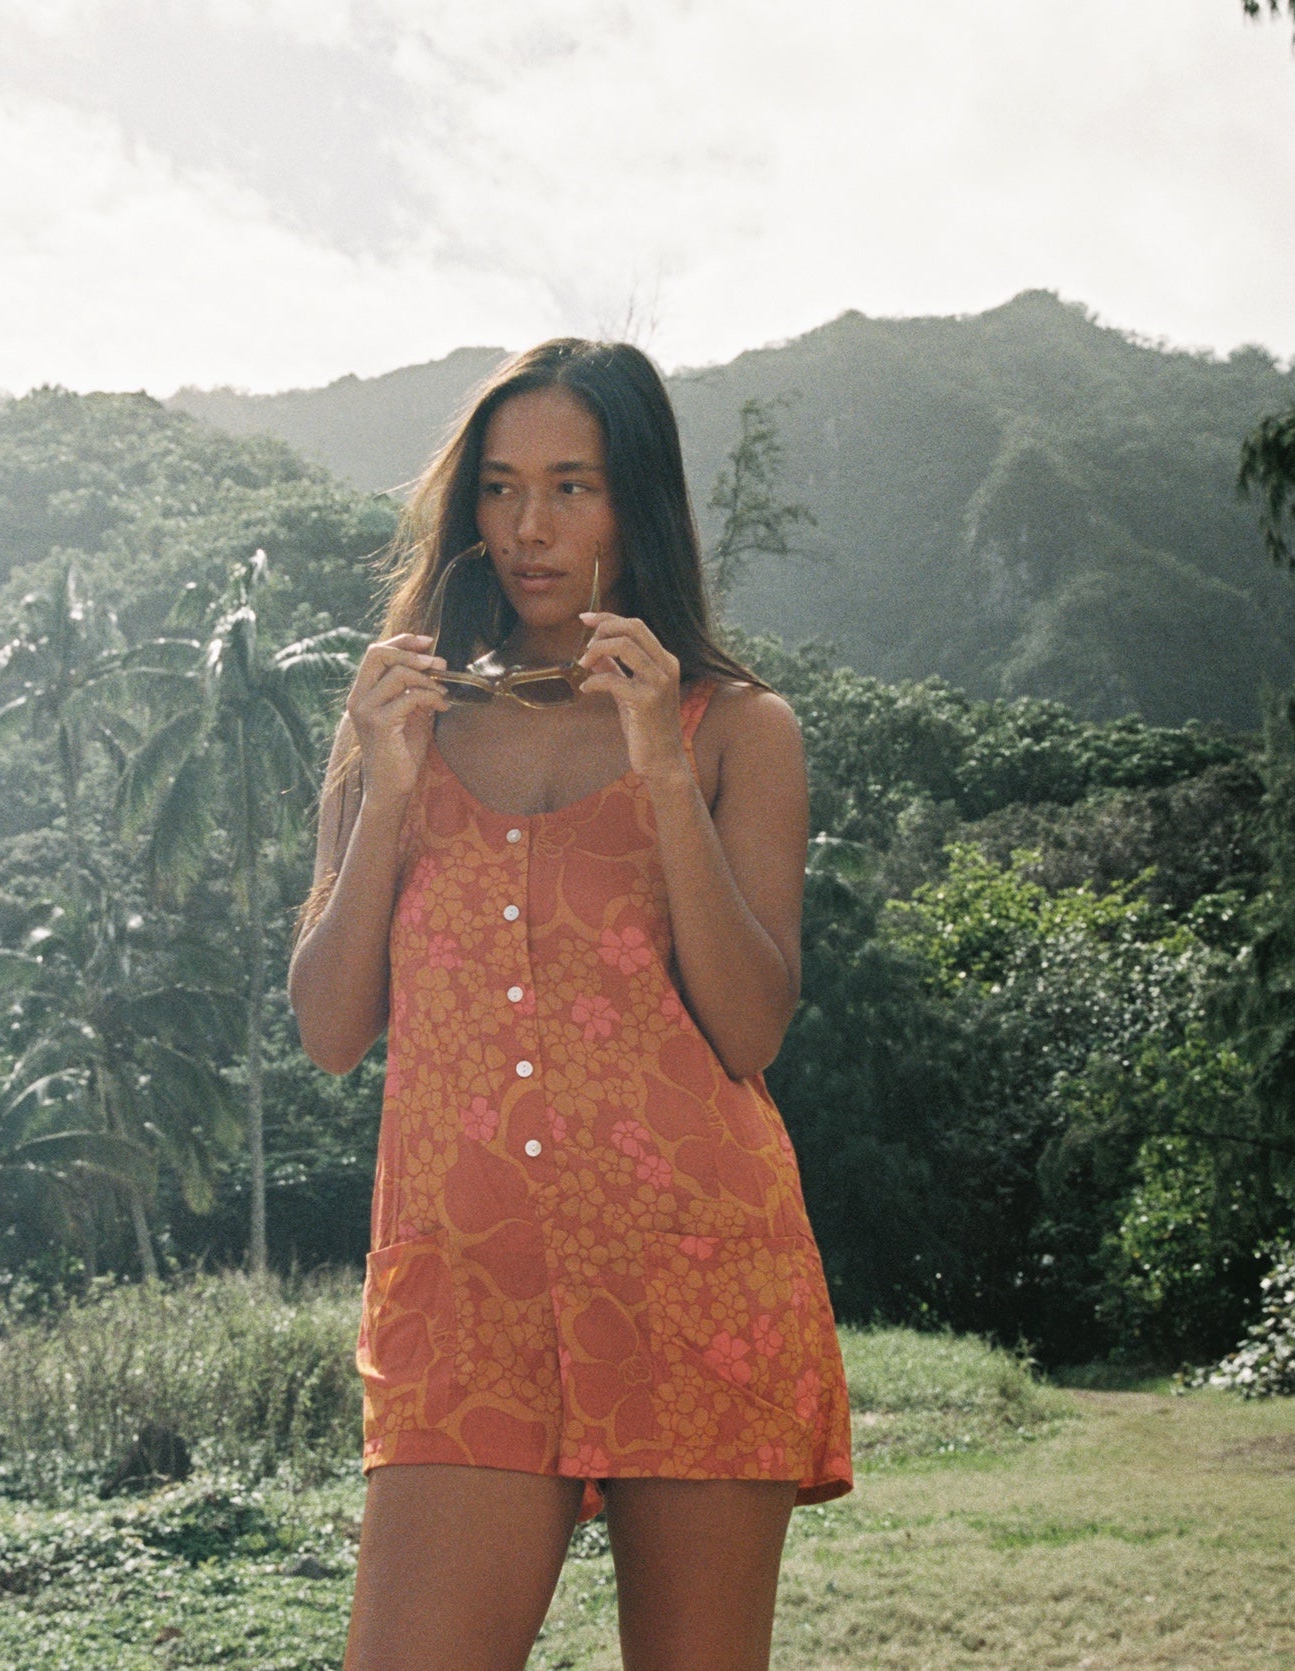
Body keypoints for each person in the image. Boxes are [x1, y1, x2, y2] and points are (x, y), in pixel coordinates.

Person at [289, 338, 851, 1671]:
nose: (530, 528)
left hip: (696, 1274)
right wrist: (384, 786)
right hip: (464, 1297)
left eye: (573, 488)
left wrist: (662, 769)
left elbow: (750, 1028)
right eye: (499, 487)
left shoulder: (739, 730)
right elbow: (326, 1031)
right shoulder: (393, 722)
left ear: (636, 503)